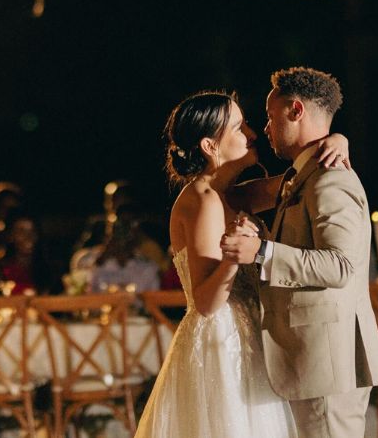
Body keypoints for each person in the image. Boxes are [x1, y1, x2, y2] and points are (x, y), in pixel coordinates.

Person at [135, 90, 350, 437]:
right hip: (223, 344)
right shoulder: (203, 201)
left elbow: (298, 181)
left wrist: (338, 139)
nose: (252, 133)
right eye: (239, 126)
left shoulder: (232, 194)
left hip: (249, 336)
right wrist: (234, 258)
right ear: (209, 145)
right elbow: (204, 303)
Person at [221, 67, 378, 437]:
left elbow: (342, 266)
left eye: (269, 115)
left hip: (328, 365)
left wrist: (263, 251)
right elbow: (239, 196)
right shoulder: (305, 173)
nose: (264, 128)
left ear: (295, 111)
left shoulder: (331, 177)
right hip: (313, 364)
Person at [0, 209, 58, 295]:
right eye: (21, 232)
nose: (28, 237)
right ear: (11, 236)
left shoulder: (48, 269)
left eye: (32, 231)